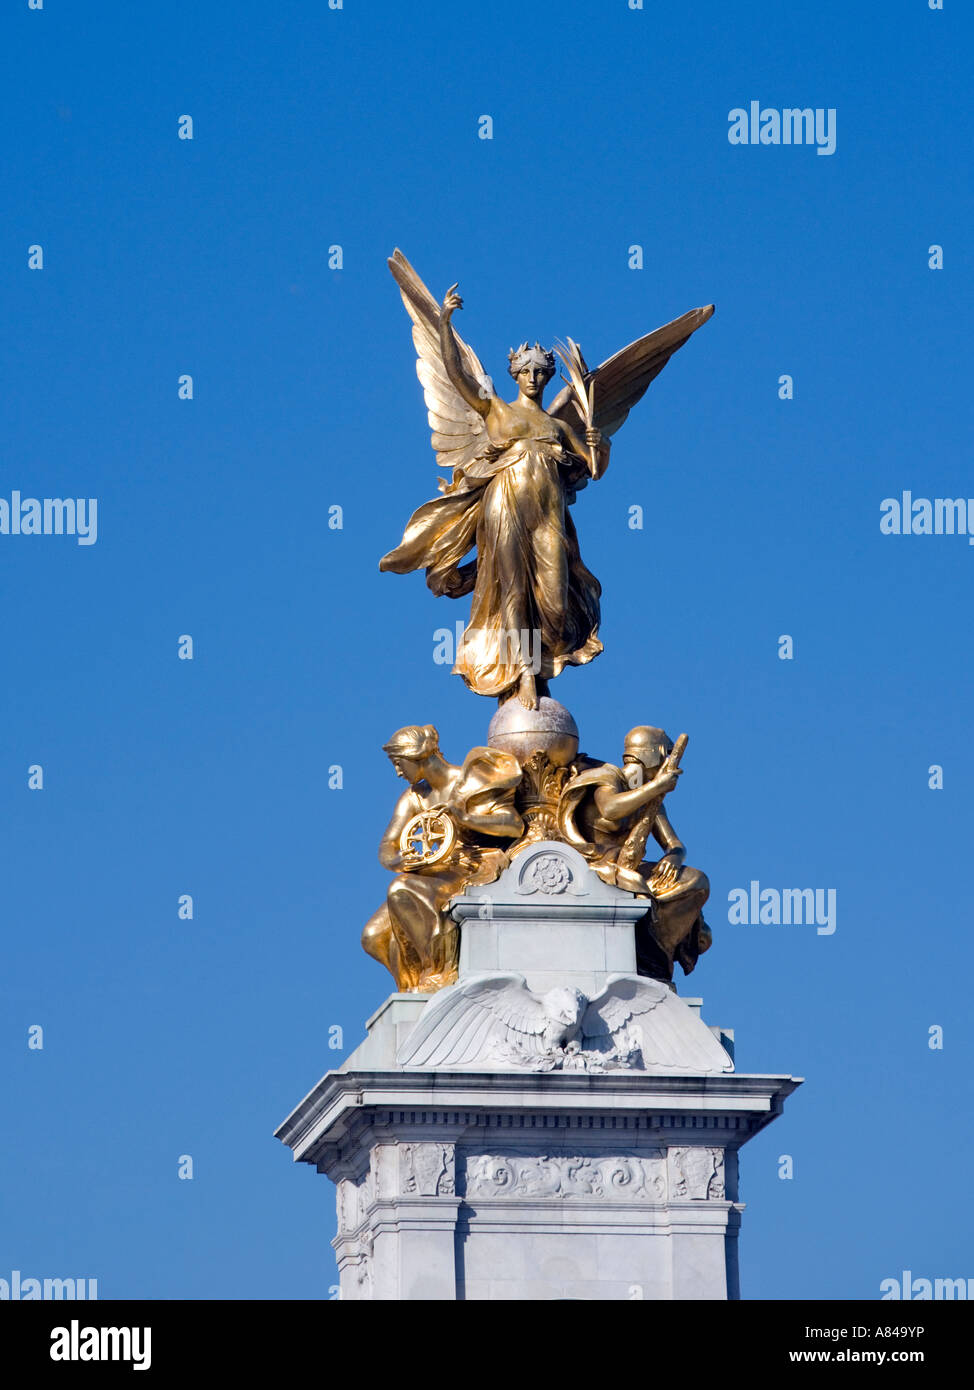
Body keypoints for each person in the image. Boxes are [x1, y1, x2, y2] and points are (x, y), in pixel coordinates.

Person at [361, 725, 523, 992]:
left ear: (417, 757)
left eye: (399, 763)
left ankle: (439, 973)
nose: (398, 772)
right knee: (373, 936)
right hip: (432, 873)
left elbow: (513, 825)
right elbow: (387, 848)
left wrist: (466, 818)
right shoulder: (414, 796)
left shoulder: (470, 782)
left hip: (471, 868)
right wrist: (409, 861)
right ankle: (411, 989)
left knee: (401, 888)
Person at [558, 726, 711, 981]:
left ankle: (656, 960)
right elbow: (610, 809)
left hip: (628, 868)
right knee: (638, 889)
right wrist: (655, 788)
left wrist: (674, 857)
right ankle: (644, 959)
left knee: (696, 882)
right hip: (594, 866)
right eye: (666, 757)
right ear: (655, 755)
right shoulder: (609, 777)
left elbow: (674, 843)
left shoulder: (653, 795)